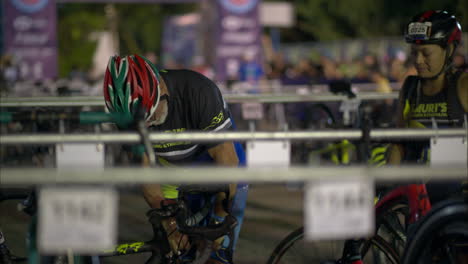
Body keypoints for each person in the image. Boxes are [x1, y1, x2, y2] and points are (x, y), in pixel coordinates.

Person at [103, 54, 248, 264]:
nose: (150, 126)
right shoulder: (126, 112)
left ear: (161, 90)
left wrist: (220, 214)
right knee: (181, 253)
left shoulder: (198, 91)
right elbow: (146, 175)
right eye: (143, 123)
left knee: (217, 252)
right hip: (170, 171)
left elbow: (227, 161)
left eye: (152, 116)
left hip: (215, 162)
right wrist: (170, 226)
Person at [388, 10, 467, 201]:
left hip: (456, 199)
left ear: (448, 50)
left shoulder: (463, 84)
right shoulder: (409, 87)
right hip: (416, 198)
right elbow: (399, 143)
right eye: (414, 53)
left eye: (426, 53)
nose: (418, 61)